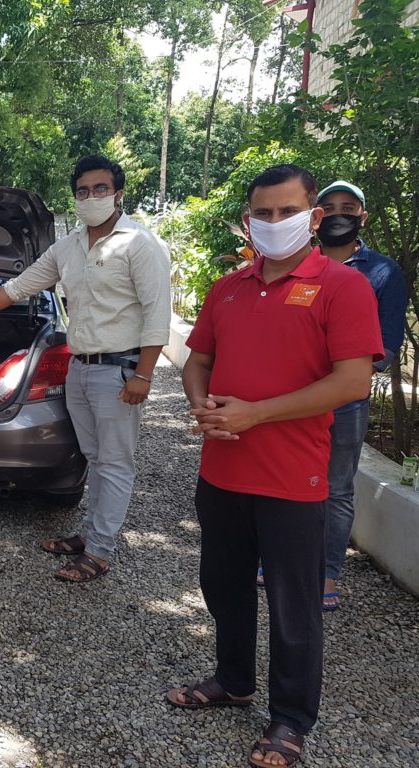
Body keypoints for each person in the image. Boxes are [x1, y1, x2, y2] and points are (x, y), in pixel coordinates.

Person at [168, 165, 383, 767]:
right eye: (261, 213)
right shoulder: (228, 288)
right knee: (223, 587)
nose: (272, 223)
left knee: (294, 605)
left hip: (294, 477)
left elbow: (352, 380)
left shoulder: (343, 287)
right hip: (222, 472)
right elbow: (197, 362)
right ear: (247, 219)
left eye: (286, 212)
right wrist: (201, 405)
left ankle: (290, 720)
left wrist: (254, 415)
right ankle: (233, 682)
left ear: (313, 218)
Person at [0, 155, 171, 583]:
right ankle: (90, 536)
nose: (92, 197)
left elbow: (157, 313)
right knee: (95, 458)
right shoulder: (69, 246)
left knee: (115, 463)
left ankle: (101, 552)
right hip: (81, 367)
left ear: (119, 193)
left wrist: (144, 375)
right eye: (84, 191)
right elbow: (21, 285)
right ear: (75, 197)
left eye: (101, 189)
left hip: (120, 370)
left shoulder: (139, 244)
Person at [315, 180, 406, 611]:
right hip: (288, 400)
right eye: (328, 206)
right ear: (315, 216)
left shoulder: (383, 272)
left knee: (336, 489)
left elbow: (386, 348)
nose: (337, 214)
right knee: (286, 483)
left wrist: (338, 377)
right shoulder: (296, 264)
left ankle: (328, 573)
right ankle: (278, 559)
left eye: (347, 207)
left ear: (362, 216)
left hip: (345, 403)